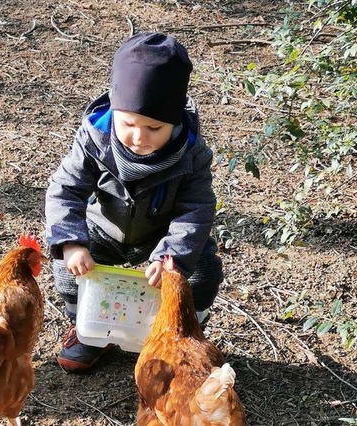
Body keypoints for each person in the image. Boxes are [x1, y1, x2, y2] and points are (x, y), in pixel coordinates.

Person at [45, 32, 224, 372]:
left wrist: (172, 254)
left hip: (161, 235)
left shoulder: (193, 155)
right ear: (114, 110)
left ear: (173, 122)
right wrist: (71, 241)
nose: (139, 137)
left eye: (154, 128)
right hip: (103, 231)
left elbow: (196, 210)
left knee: (202, 273)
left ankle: (183, 334)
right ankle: (87, 330)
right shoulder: (94, 140)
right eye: (128, 124)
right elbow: (64, 189)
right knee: (69, 273)